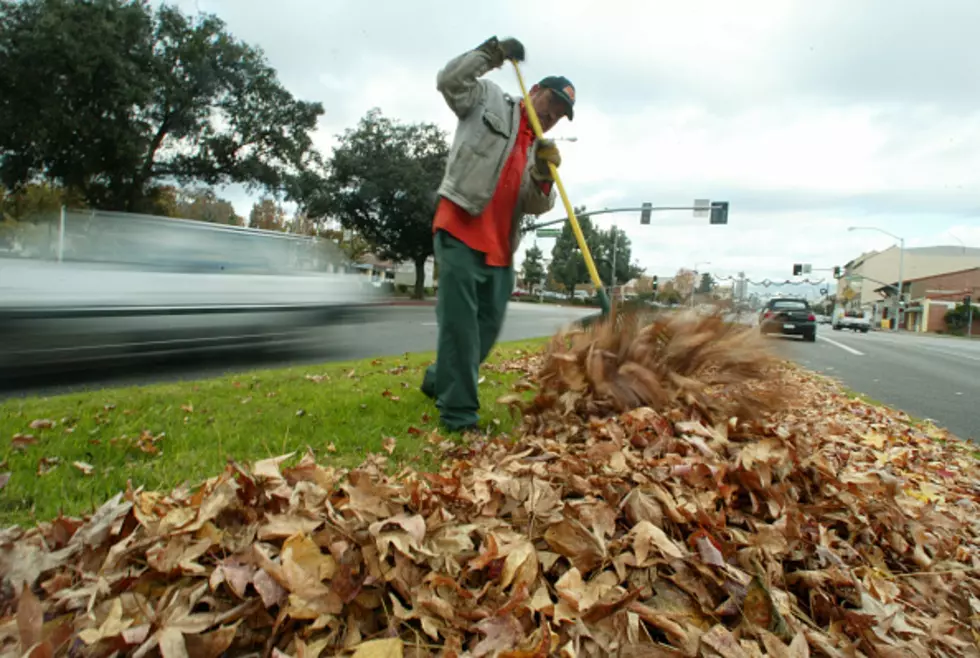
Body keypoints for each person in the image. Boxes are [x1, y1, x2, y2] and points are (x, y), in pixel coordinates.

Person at [420, 36, 575, 432]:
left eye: (561, 113)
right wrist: (490, 55)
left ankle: (440, 379)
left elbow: (535, 204)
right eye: (552, 103)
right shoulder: (489, 99)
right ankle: (459, 418)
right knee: (461, 330)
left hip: (501, 250)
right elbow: (448, 81)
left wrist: (543, 174)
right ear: (535, 91)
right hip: (459, 227)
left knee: (482, 338)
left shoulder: (540, 147)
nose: (554, 114)